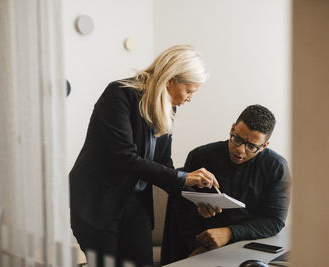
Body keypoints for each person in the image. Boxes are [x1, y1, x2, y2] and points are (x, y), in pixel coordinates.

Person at [69, 45, 219, 266]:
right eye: (189, 91)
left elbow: (163, 164)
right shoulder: (119, 94)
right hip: (97, 204)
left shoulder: (169, 107)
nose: (189, 99)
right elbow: (125, 158)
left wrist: (195, 197)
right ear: (170, 79)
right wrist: (184, 177)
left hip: (135, 204)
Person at [161, 105, 291, 265]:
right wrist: (198, 243)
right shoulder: (200, 156)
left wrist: (229, 233)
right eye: (237, 139)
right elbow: (181, 209)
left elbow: (274, 221)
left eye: (251, 147)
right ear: (232, 128)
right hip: (196, 245)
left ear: (264, 146)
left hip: (247, 248)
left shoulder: (276, 167)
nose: (240, 150)